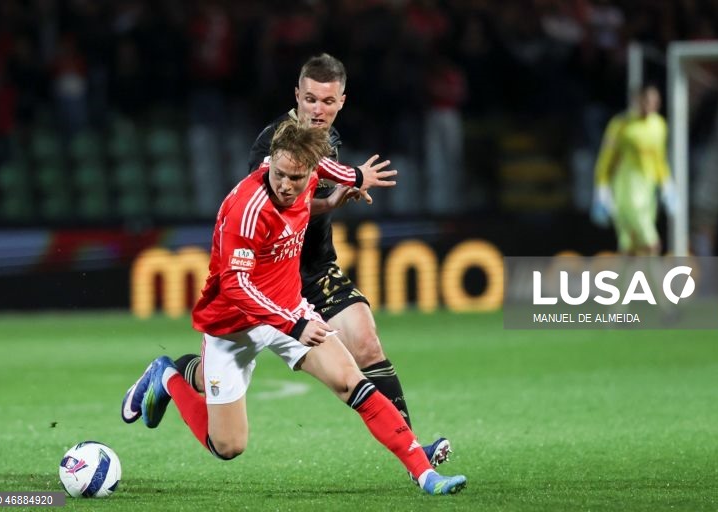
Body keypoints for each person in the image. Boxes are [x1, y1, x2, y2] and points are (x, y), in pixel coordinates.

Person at [121, 119, 467, 496]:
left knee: (351, 382)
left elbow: (331, 169)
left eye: (297, 178)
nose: (286, 185)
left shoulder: (310, 170)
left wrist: (350, 183)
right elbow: (236, 285)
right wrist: (292, 323)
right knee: (228, 446)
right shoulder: (246, 209)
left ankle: (425, 475)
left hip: (289, 310)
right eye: (280, 174)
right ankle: (168, 376)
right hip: (233, 323)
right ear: (270, 162)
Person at [173, 53, 453, 472]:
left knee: (367, 344)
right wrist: (338, 192)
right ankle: (179, 374)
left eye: (327, 101)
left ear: (342, 101)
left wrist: (346, 188)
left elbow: (314, 187)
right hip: (268, 277)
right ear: (297, 98)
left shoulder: (329, 140)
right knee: (227, 438)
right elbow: (278, 204)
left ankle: (413, 450)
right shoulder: (273, 144)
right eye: (310, 100)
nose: (317, 110)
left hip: (315, 268)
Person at [591, 85, 676, 255]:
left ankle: (625, 281)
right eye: (647, 101)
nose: (651, 106)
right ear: (638, 100)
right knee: (652, 244)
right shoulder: (620, 125)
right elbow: (606, 157)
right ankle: (653, 282)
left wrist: (667, 183)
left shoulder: (659, 125)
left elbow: (659, 159)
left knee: (630, 247)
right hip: (626, 191)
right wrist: (601, 187)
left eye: (655, 102)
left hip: (647, 191)